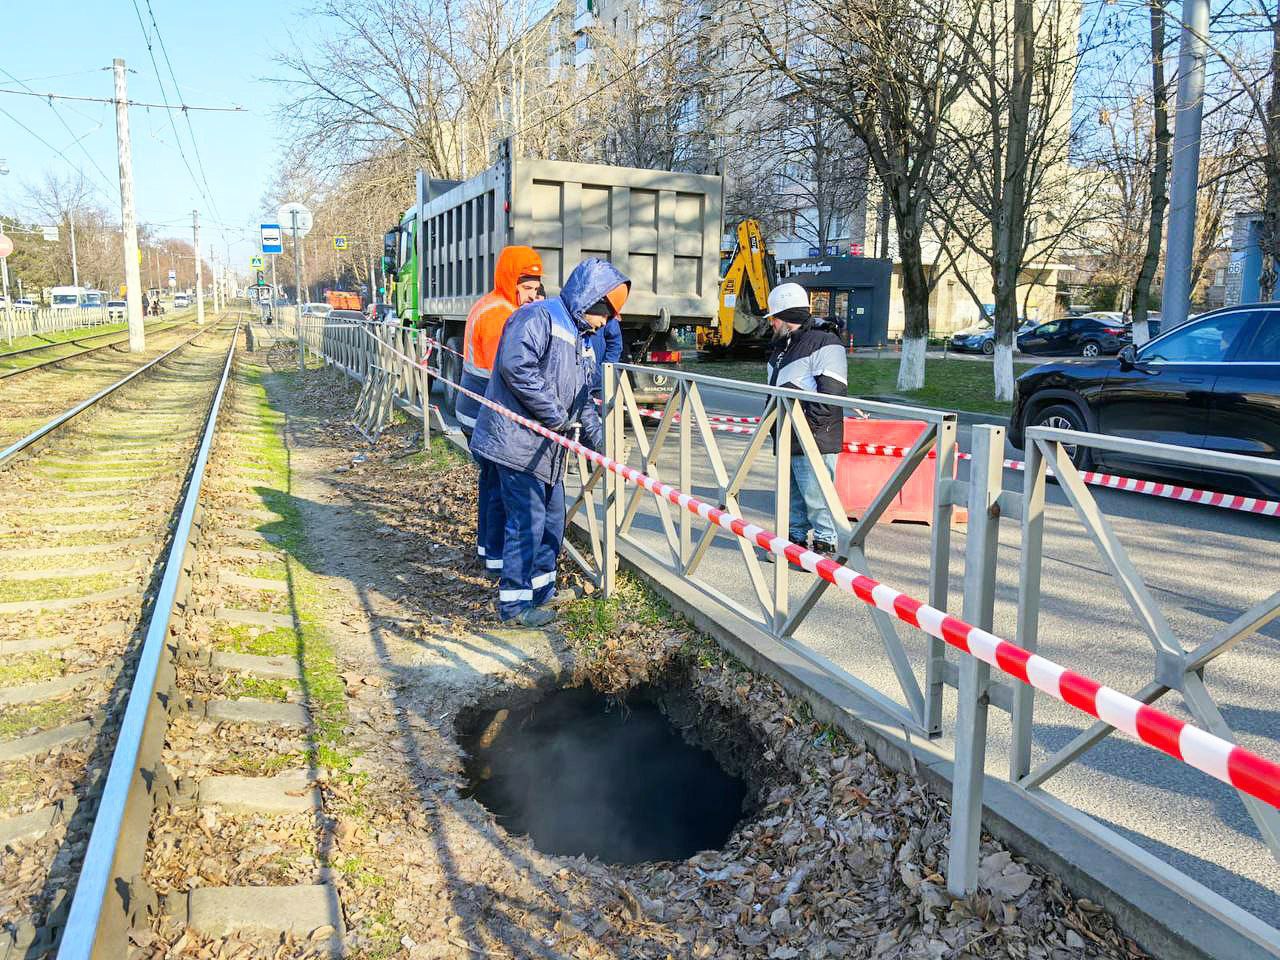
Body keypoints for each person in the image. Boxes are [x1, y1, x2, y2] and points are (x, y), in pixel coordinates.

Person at [470, 258, 630, 626]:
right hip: (516, 445)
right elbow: (516, 368)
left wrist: (602, 446)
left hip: (547, 451)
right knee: (527, 522)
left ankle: (542, 591)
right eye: (605, 313)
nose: (607, 324)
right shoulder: (537, 318)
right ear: (591, 301)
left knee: (552, 523)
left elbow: (584, 399)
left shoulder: (583, 340)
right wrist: (557, 417)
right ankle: (514, 607)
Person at [456, 246, 544, 576]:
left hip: (477, 409)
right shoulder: (499, 315)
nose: (532, 295)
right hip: (483, 412)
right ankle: (496, 559)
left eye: (536, 288)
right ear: (511, 281)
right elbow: (509, 372)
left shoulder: (496, 304)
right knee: (499, 488)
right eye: (527, 288)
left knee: (491, 482)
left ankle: (487, 551)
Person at [763, 282, 848, 560]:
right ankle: (793, 546)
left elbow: (832, 395)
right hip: (789, 435)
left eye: (774, 318)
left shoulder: (825, 342)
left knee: (818, 501)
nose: (771, 323)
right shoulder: (783, 345)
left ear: (786, 317)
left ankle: (825, 551)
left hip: (813, 438)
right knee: (793, 500)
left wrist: (805, 433)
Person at [585, 314, 623, 399]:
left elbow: (615, 345)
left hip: (598, 383)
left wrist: (604, 370)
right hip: (575, 382)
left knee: (599, 410)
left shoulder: (606, 314)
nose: (603, 322)